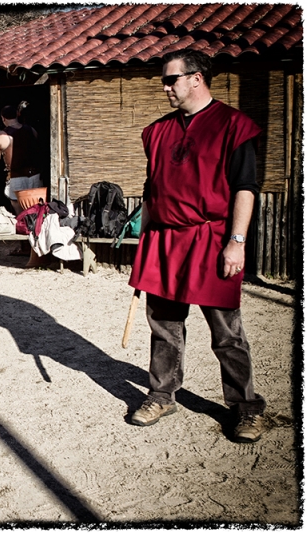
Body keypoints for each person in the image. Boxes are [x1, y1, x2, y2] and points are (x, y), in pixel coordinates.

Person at [128, 49, 266, 443]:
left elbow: (245, 188)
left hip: (211, 238)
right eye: (164, 81)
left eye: (171, 79)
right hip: (165, 238)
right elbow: (151, 191)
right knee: (164, 325)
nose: (166, 87)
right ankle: (161, 393)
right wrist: (144, 245)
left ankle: (245, 407)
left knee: (226, 331)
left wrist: (236, 242)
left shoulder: (233, 125)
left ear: (196, 78)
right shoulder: (157, 132)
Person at [0, 102, 43, 265]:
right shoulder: (32, 130)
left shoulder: (2, 136)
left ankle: (27, 248)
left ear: (3, 118)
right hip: (35, 174)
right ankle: (36, 247)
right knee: (35, 211)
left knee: (21, 214)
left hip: (17, 177)